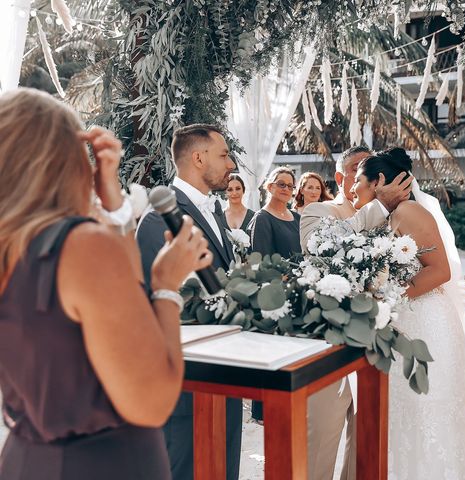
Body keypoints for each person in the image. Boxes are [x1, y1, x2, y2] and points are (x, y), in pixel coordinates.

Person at [0, 89, 210, 479]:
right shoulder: (83, 247)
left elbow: (116, 286)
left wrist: (109, 194)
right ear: (63, 161)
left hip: (25, 460)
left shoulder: (20, 248)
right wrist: (165, 286)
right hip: (104, 463)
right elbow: (152, 401)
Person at [350, 147, 465, 480]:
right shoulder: (388, 215)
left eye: (358, 180)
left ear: (379, 180)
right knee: (408, 413)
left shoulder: (410, 212)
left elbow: (440, 271)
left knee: (427, 412)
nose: (353, 188)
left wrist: (388, 297)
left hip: (427, 323)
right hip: (405, 322)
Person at [299, 145, 413, 480]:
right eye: (355, 167)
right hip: (329, 342)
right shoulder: (318, 209)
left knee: (364, 443)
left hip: (375, 340)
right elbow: (319, 246)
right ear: (339, 176)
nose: (365, 176)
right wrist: (378, 206)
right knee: (320, 437)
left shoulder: (394, 217)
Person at [136, 124, 242, 480]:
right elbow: (161, 303)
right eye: (224, 154)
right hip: (187, 388)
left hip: (224, 376)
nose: (231, 164)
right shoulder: (158, 220)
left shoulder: (214, 210)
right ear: (198, 158)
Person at [246, 167, 301, 423]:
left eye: (290, 186)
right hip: (274, 294)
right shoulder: (262, 218)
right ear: (269, 187)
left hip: (298, 293)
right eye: (281, 184)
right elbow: (262, 261)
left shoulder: (298, 218)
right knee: (272, 351)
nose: (286, 189)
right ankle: (265, 411)